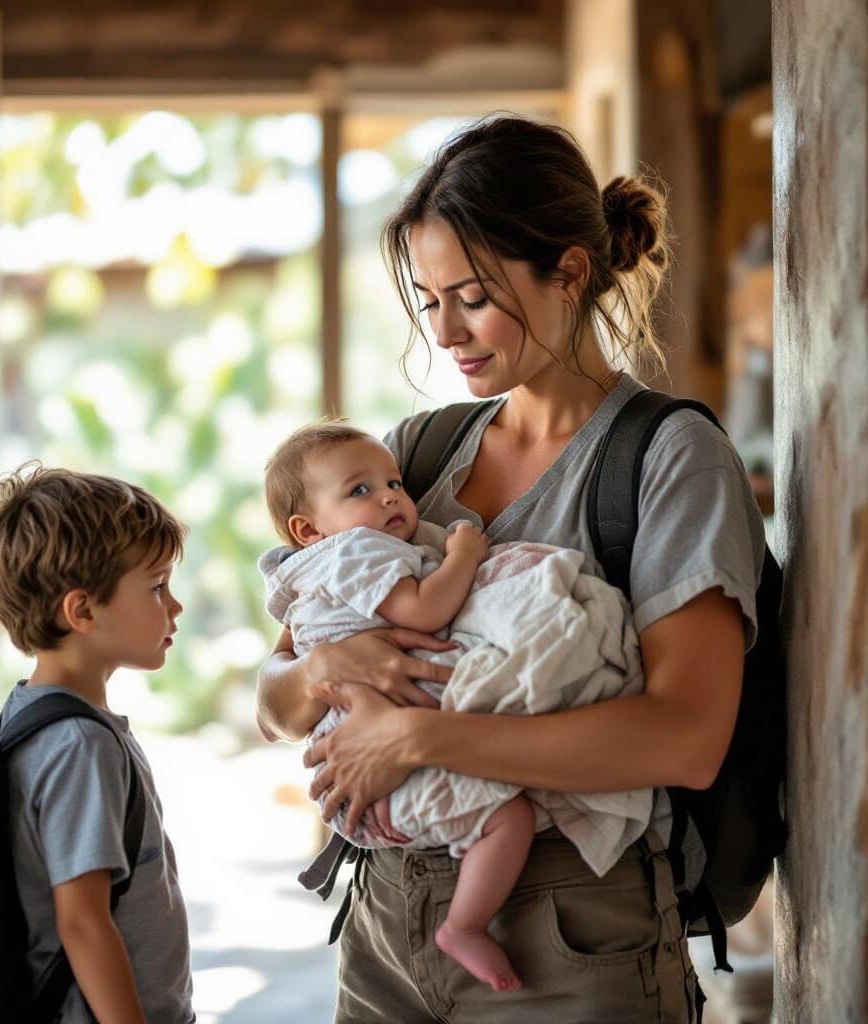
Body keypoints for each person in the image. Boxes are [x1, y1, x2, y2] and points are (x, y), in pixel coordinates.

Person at [256, 115, 765, 1023]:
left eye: (474, 296)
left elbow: (685, 740)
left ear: (569, 272)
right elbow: (276, 698)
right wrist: (326, 670)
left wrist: (416, 739)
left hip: (571, 931)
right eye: (428, 299)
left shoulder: (668, 459)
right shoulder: (416, 455)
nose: (445, 330)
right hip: (383, 920)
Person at [260, 421, 533, 991]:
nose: (388, 496)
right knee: (509, 819)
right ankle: (465, 925)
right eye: (360, 491)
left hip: (370, 765)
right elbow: (424, 611)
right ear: (309, 529)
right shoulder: (356, 552)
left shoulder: (325, 563)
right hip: (378, 772)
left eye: (393, 482)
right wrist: (463, 553)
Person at [0, 464, 195, 1024]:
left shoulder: (29, 711)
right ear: (82, 610)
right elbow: (82, 921)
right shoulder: (80, 746)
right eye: (157, 586)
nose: (175, 606)